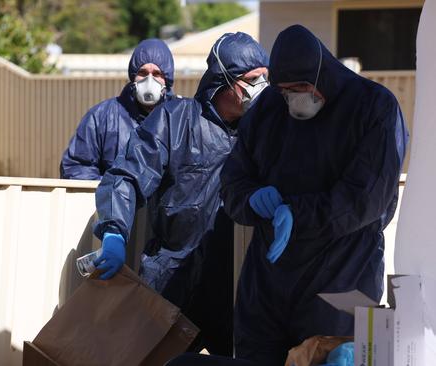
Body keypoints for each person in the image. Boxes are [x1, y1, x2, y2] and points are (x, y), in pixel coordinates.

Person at [220, 25, 409, 365]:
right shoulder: (267, 110)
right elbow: (233, 181)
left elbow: (367, 198)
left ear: (322, 72)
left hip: (342, 278)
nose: (294, 98)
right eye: (285, 90)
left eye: (301, 88)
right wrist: (250, 197)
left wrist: (299, 212)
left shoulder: (373, 107)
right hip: (268, 284)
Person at [92, 32, 269, 355]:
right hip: (170, 276)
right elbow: (127, 175)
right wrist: (114, 231)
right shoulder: (174, 120)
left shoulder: (264, 130)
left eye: (265, 78)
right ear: (223, 80)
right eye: (253, 79)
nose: (262, 88)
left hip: (235, 283)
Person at [60, 38, 176, 180]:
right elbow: (76, 167)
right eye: (143, 73)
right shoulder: (102, 117)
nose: (149, 80)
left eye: (157, 74)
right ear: (133, 76)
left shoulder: (181, 120)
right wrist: (112, 191)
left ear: (167, 80)